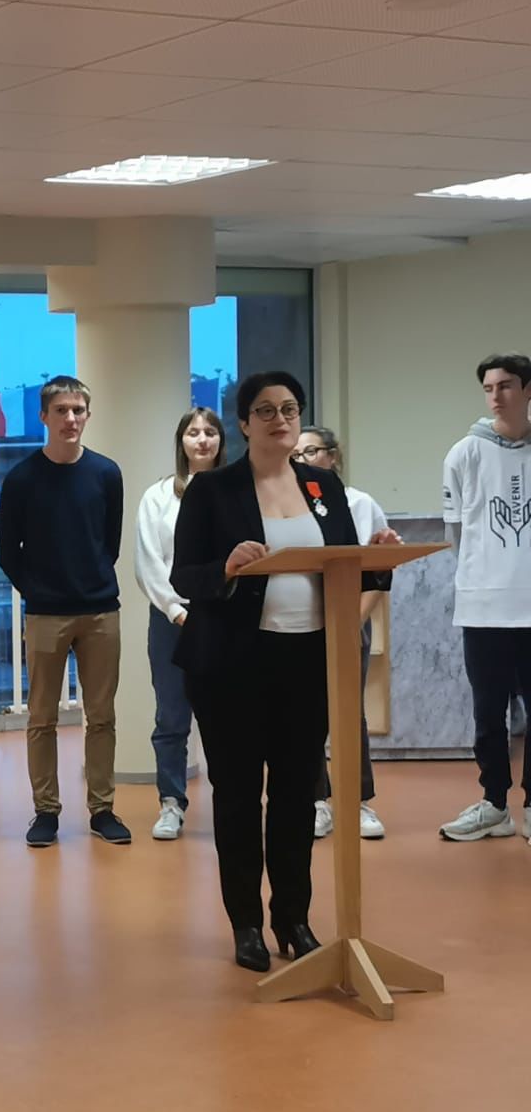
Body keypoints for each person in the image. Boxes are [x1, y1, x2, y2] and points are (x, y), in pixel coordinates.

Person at [172, 372, 398, 972]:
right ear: (244, 423)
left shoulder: (323, 486)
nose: (280, 418)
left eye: (290, 409)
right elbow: (184, 577)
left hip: (308, 660)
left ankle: (294, 918)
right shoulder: (213, 490)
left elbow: (346, 568)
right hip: (231, 665)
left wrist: (379, 554)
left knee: (298, 795)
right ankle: (246, 923)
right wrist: (226, 565)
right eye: (265, 410)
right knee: (241, 795)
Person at [0, 375, 129, 848]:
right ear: (45, 416)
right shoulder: (22, 478)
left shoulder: (107, 473)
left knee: (102, 715)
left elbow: (108, 542)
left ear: (87, 416)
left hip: (99, 612)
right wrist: (39, 589)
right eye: (62, 411)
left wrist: (87, 580)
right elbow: (7, 551)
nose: (71, 419)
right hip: (45, 614)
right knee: (41, 718)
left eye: (78, 411)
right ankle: (46, 812)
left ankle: (102, 808)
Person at [438, 354, 531, 843]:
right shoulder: (464, 454)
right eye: (489, 387)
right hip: (484, 605)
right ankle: (495, 804)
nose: (497, 396)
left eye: (508, 385)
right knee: (488, 713)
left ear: (528, 390)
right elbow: (456, 533)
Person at [294, 425, 389, 841]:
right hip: (300, 623)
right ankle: (317, 800)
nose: (302, 460)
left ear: (332, 456)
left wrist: (352, 621)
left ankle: (358, 802)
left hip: (351, 620)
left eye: (311, 451)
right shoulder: (286, 507)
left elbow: (377, 570)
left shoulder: (360, 504)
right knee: (305, 714)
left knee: (350, 712)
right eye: (296, 454)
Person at [134, 406, 225, 841]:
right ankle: (171, 803)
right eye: (194, 432)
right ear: (182, 442)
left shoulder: (237, 493)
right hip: (172, 618)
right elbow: (149, 562)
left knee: (228, 716)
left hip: (224, 616)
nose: (202, 439)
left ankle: (231, 799)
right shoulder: (158, 496)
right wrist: (176, 609)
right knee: (171, 716)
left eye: (210, 432)